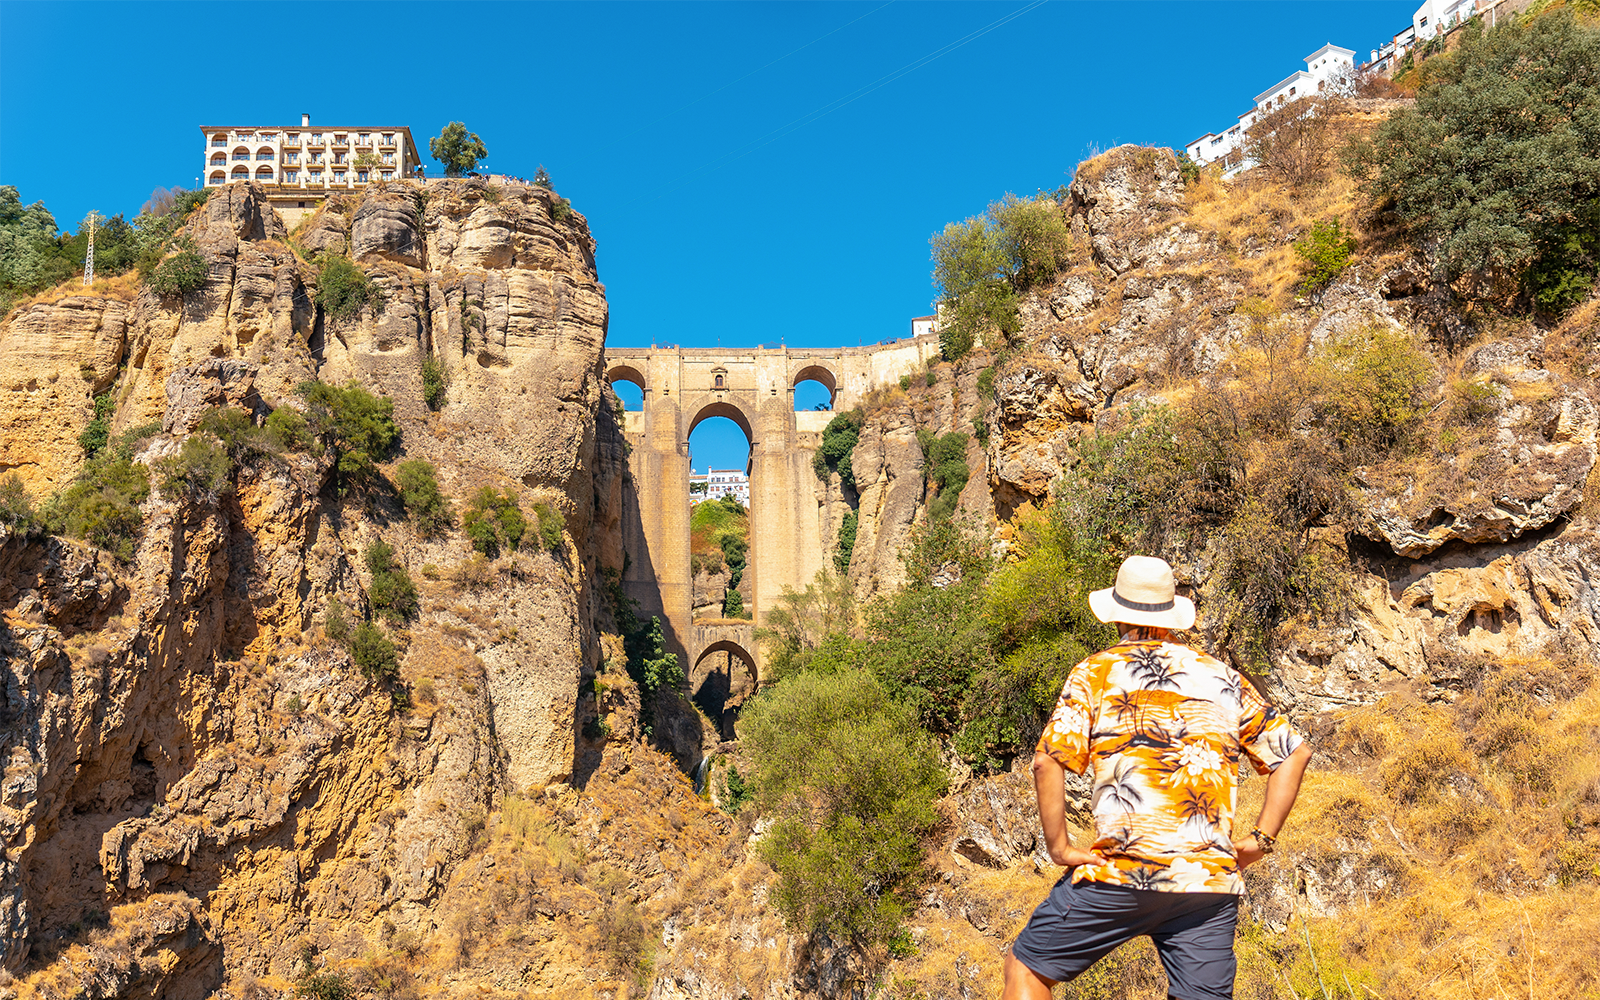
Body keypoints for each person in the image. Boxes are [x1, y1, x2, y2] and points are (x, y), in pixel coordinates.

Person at [1001, 555, 1312, 1000]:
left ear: (1116, 615)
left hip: (1122, 873)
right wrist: (1260, 841)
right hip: (1207, 883)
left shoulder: (1096, 672)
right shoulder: (1223, 678)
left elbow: (1047, 762)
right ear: (1172, 618)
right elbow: (1293, 753)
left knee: (1027, 969)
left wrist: (1061, 849)